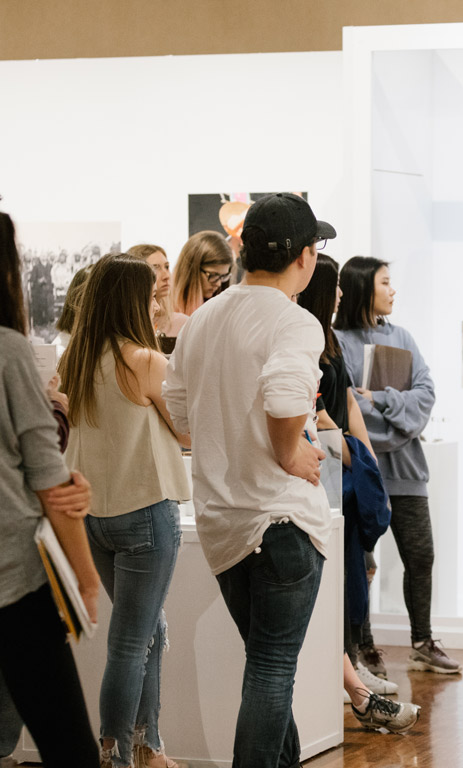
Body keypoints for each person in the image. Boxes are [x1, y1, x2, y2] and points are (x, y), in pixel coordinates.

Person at [163, 192, 336, 766]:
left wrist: (226, 440)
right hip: (279, 520)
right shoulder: (295, 321)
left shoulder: (204, 319)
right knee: (271, 670)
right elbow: (287, 394)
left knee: (267, 666)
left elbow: (179, 411)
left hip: (223, 524)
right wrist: (290, 454)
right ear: (305, 257)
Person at [59, 254, 191, 767]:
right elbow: (185, 433)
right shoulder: (147, 361)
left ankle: (149, 747)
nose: (159, 302)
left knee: (145, 630)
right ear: (133, 301)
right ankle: (115, 753)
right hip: (146, 510)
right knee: (132, 642)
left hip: (96, 515)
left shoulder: (76, 358)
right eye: (153, 295)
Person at [298, 253, 420, 730]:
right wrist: (350, 449)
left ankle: (354, 675)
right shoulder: (304, 338)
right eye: (336, 287)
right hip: (320, 473)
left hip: (341, 472)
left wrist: (364, 459)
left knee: (355, 571)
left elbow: (346, 402)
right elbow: (321, 414)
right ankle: (356, 682)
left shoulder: (327, 340)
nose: (343, 295)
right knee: (337, 578)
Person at [0, 211, 100, 768]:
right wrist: (85, 581)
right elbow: (50, 482)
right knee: (68, 745)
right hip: (14, 581)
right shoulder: (9, 350)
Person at [334, 256, 462, 674]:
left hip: (407, 470)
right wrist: (394, 420)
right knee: (361, 563)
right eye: (385, 283)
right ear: (362, 288)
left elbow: (425, 395)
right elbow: (347, 408)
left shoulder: (403, 336)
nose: (393, 290)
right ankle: (364, 646)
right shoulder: (335, 341)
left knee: (420, 557)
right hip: (362, 471)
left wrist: (383, 401)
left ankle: (422, 641)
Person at [126, 244, 188, 338]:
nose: (166, 276)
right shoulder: (125, 327)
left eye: (167, 267)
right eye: (155, 268)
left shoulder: (182, 322)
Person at [171, 231, 233, 317]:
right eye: (213, 275)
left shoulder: (225, 310)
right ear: (191, 270)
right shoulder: (163, 308)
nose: (218, 284)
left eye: (223, 276)